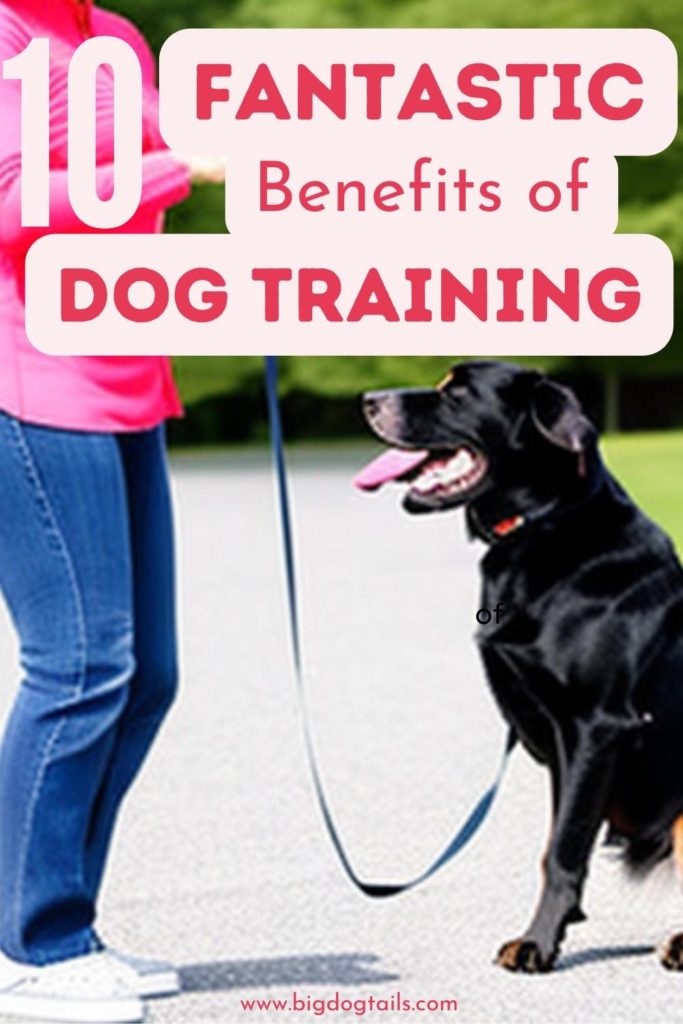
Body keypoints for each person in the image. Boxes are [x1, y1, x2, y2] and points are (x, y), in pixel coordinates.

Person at [0, 1, 224, 1020]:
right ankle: (28, 945)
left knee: (146, 675)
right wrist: (181, 165)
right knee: (80, 664)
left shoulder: (118, 37)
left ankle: (63, 925)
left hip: (123, 372)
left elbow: (137, 194)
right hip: (27, 375)